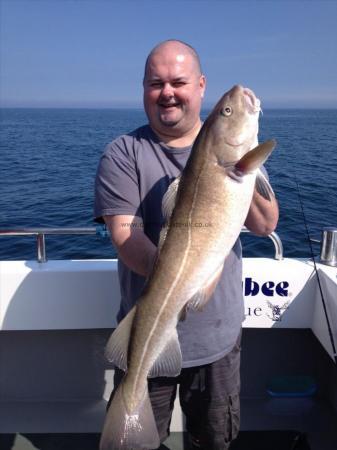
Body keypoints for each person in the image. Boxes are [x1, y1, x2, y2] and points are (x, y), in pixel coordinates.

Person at [94, 39, 279, 450]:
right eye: (155, 83)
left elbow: (266, 225)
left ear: (200, 86)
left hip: (218, 340)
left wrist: (247, 165)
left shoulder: (237, 161)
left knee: (213, 441)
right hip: (147, 329)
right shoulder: (123, 153)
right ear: (143, 89)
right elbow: (125, 237)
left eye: (178, 82)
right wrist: (178, 279)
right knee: (135, 442)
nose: (167, 92)